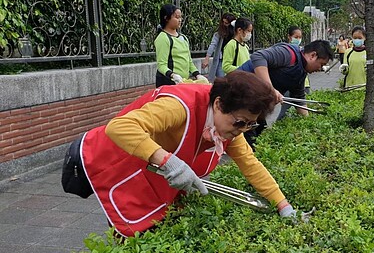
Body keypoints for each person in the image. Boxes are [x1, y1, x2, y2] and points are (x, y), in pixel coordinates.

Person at [61, 72, 302, 237]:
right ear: (218, 104)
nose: (242, 131)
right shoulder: (179, 106)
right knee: (131, 232)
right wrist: (167, 161)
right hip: (116, 160)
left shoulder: (230, 131)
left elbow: (251, 165)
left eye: (249, 125)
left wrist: (283, 205)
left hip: (146, 171)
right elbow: (119, 127)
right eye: (240, 122)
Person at [238, 39, 333, 147]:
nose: (320, 69)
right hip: (239, 93)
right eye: (321, 64)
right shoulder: (288, 54)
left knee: (259, 135)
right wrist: (271, 90)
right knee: (248, 142)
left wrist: (310, 125)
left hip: (255, 106)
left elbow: (299, 98)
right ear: (313, 55)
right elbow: (258, 57)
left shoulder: (301, 72)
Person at [154, 4, 203, 87]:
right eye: (177, 17)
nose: (180, 20)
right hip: (168, 82)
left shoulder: (183, 38)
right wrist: (173, 75)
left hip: (183, 82)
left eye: (180, 17)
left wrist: (197, 75)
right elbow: (161, 65)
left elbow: (189, 62)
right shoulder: (163, 38)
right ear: (166, 18)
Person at [277, 27, 311, 121]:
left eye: (300, 37)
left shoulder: (303, 51)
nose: (298, 39)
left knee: (300, 105)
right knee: (283, 109)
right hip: (288, 85)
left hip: (304, 84)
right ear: (289, 37)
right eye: (296, 37)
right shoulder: (284, 51)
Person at [202, 13, 236, 80]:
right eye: (223, 22)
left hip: (232, 58)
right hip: (221, 59)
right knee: (222, 79)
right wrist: (207, 58)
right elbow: (213, 44)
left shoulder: (235, 32)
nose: (224, 24)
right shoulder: (219, 32)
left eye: (226, 23)